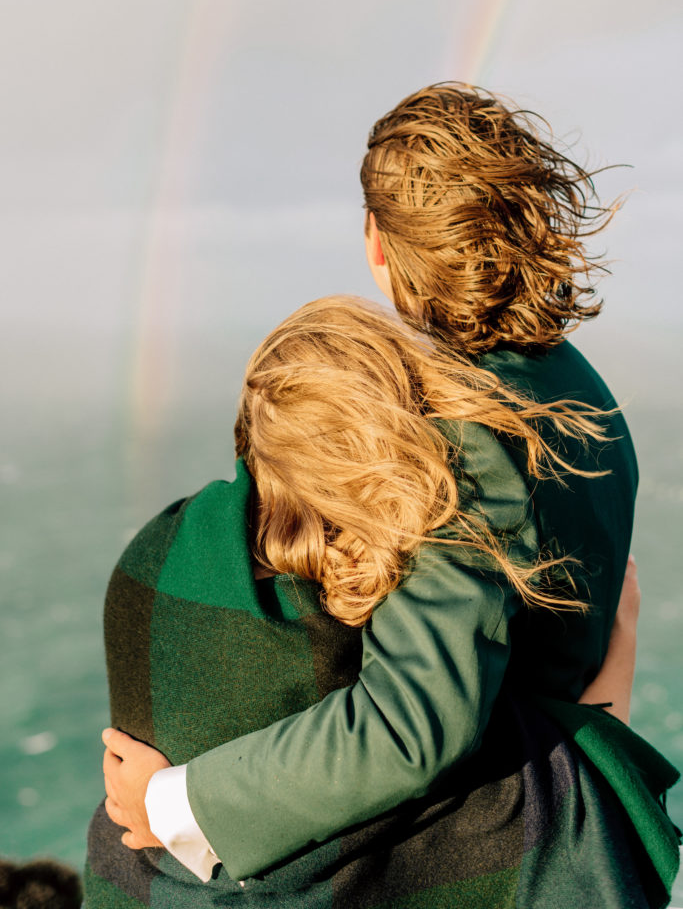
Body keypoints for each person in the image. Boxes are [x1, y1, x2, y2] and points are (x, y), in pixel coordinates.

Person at [95, 86, 680, 903]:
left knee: (126, 859)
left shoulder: (457, 436)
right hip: (558, 751)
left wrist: (173, 803)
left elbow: (415, 721)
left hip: (502, 822)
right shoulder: (575, 381)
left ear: (376, 242)